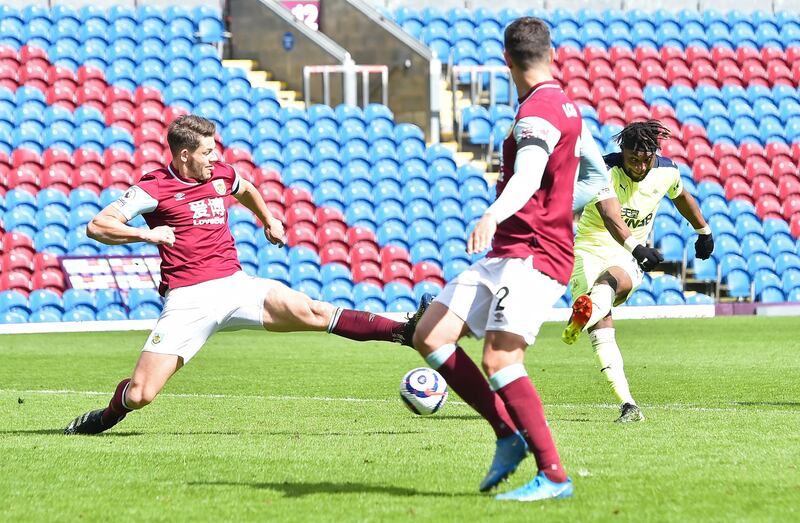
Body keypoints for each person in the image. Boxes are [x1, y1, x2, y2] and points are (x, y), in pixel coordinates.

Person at [64, 115, 422, 435]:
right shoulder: (153, 189)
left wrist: (268, 220)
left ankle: (404, 332)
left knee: (314, 311)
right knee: (141, 394)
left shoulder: (220, 173)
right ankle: (108, 415)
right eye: (207, 152)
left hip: (236, 286)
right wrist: (147, 234)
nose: (215, 157)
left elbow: (245, 188)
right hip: (189, 299)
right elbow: (98, 225)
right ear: (184, 155)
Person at [409, 17, 614, 503]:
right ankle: (507, 435)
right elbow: (584, 173)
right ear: (553, 53)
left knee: (501, 359)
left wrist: (491, 215)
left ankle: (555, 475)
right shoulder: (565, 103)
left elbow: (527, 176)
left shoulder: (536, 114)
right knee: (430, 335)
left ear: (507, 61)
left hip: (534, 253)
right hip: (510, 251)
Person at [561, 120, 714, 423]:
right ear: (623, 151)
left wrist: (703, 230)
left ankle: (584, 315)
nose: (640, 166)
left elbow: (682, 197)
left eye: (646, 159)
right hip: (591, 248)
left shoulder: (666, 171)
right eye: (634, 158)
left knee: (612, 282)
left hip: (626, 255)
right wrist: (637, 248)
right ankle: (628, 404)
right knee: (602, 324)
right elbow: (610, 217)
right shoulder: (603, 170)